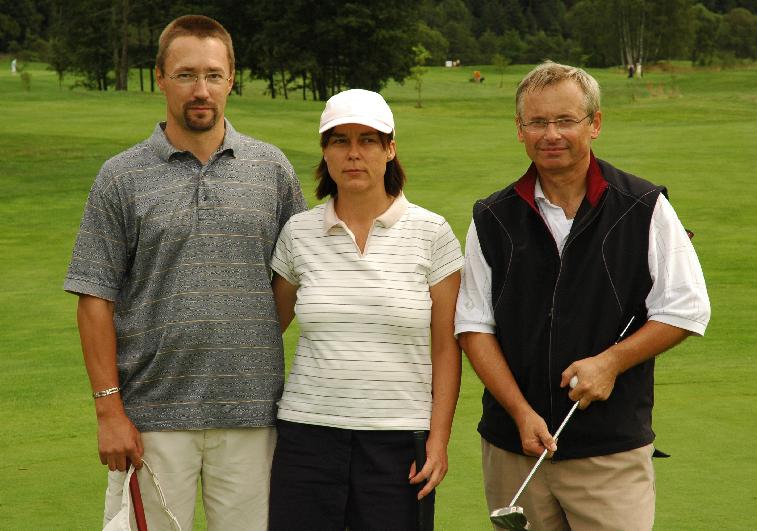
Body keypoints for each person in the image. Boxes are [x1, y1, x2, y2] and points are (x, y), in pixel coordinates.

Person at [63, 15, 306, 530]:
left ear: (231, 79)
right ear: (160, 78)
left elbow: (293, 279)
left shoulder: (272, 170)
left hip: (251, 414)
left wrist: (248, 333)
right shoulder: (121, 177)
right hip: (149, 417)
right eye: (186, 75)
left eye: (213, 75)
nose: (201, 90)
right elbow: (94, 298)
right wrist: (109, 412)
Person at [455, 61, 710, 530]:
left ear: (594, 124)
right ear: (520, 130)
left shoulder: (644, 206)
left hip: (609, 452)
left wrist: (611, 362)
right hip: (514, 450)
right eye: (537, 122)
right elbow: (473, 326)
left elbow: (686, 308)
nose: (551, 134)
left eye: (566, 120)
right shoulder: (491, 217)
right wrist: (520, 412)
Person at [268, 88, 463, 530]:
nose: (353, 153)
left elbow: (446, 348)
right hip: (307, 436)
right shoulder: (298, 232)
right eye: (340, 140)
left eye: (368, 140)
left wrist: (438, 439)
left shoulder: (432, 233)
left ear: (390, 149)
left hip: (399, 441)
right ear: (325, 151)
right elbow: (267, 329)